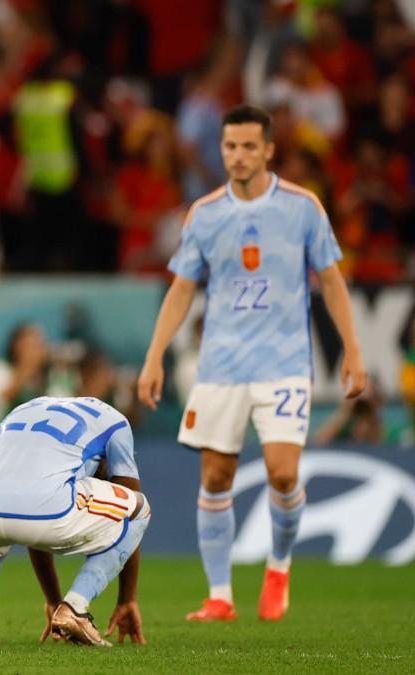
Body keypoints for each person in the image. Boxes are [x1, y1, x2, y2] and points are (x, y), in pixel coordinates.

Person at [138, 105, 367, 623]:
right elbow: (182, 288)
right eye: (229, 147)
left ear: (268, 150)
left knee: (283, 474)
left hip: (284, 363)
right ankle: (220, 595)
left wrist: (353, 349)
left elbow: (330, 279)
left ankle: (279, 567)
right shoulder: (205, 213)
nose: (237, 156)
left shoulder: (303, 207)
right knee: (216, 477)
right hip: (220, 366)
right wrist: (154, 356)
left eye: (247, 147)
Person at [0, 396, 150, 647]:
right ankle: (77, 607)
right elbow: (129, 510)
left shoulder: (21, 409)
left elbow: (26, 514)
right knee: (141, 508)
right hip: (48, 509)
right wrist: (127, 599)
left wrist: (52, 599)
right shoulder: (115, 421)